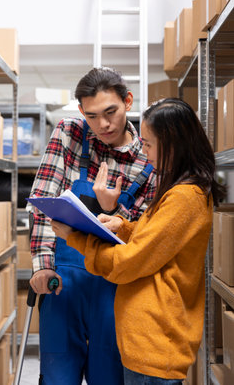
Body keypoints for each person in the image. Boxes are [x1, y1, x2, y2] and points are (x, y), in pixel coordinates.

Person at [51, 97, 226, 385]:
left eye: (148, 144)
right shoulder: (178, 188)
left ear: (173, 144)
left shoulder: (185, 197)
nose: (144, 153)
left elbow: (128, 263)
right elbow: (160, 241)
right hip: (147, 343)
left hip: (155, 346)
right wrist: (122, 226)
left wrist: (77, 238)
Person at [27, 67, 156, 385]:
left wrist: (115, 211)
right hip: (63, 283)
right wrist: (42, 267)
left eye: (110, 112)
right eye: (92, 115)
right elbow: (44, 199)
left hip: (115, 288)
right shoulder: (69, 133)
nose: (103, 125)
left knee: (109, 377)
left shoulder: (150, 160)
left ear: (127, 101)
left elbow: (145, 233)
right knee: (58, 376)